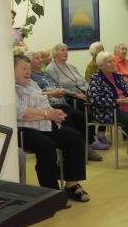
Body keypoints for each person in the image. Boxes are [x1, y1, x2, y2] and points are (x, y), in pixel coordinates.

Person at [15, 55, 90, 201]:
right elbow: (20, 112)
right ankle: (50, 192)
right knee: (47, 146)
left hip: (45, 124)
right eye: (24, 68)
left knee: (74, 137)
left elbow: (44, 103)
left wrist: (55, 114)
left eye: (29, 68)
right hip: (25, 129)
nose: (28, 71)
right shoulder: (10, 88)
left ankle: (71, 184)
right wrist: (46, 114)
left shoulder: (32, 84)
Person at [30, 50, 104, 159]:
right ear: (30, 62)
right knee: (67, 117)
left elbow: (58, 85)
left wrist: (60, 91)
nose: (41, 60)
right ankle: (71, 152)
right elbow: (35, 94)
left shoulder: (45, 74)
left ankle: (86, 147)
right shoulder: (31, 77)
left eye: (41, 57)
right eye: (37, 58)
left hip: (61, 101)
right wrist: (53, 93)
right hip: (49, 105)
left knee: (79, 115)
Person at [88, 52, 128, 170]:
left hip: (125, 107)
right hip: (108, 110)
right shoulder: (95, 79)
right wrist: (116, 101)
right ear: (101, 65)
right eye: (109, 62)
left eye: (113, 61)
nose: (113, 63)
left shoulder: (117, 76)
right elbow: (95, 99)